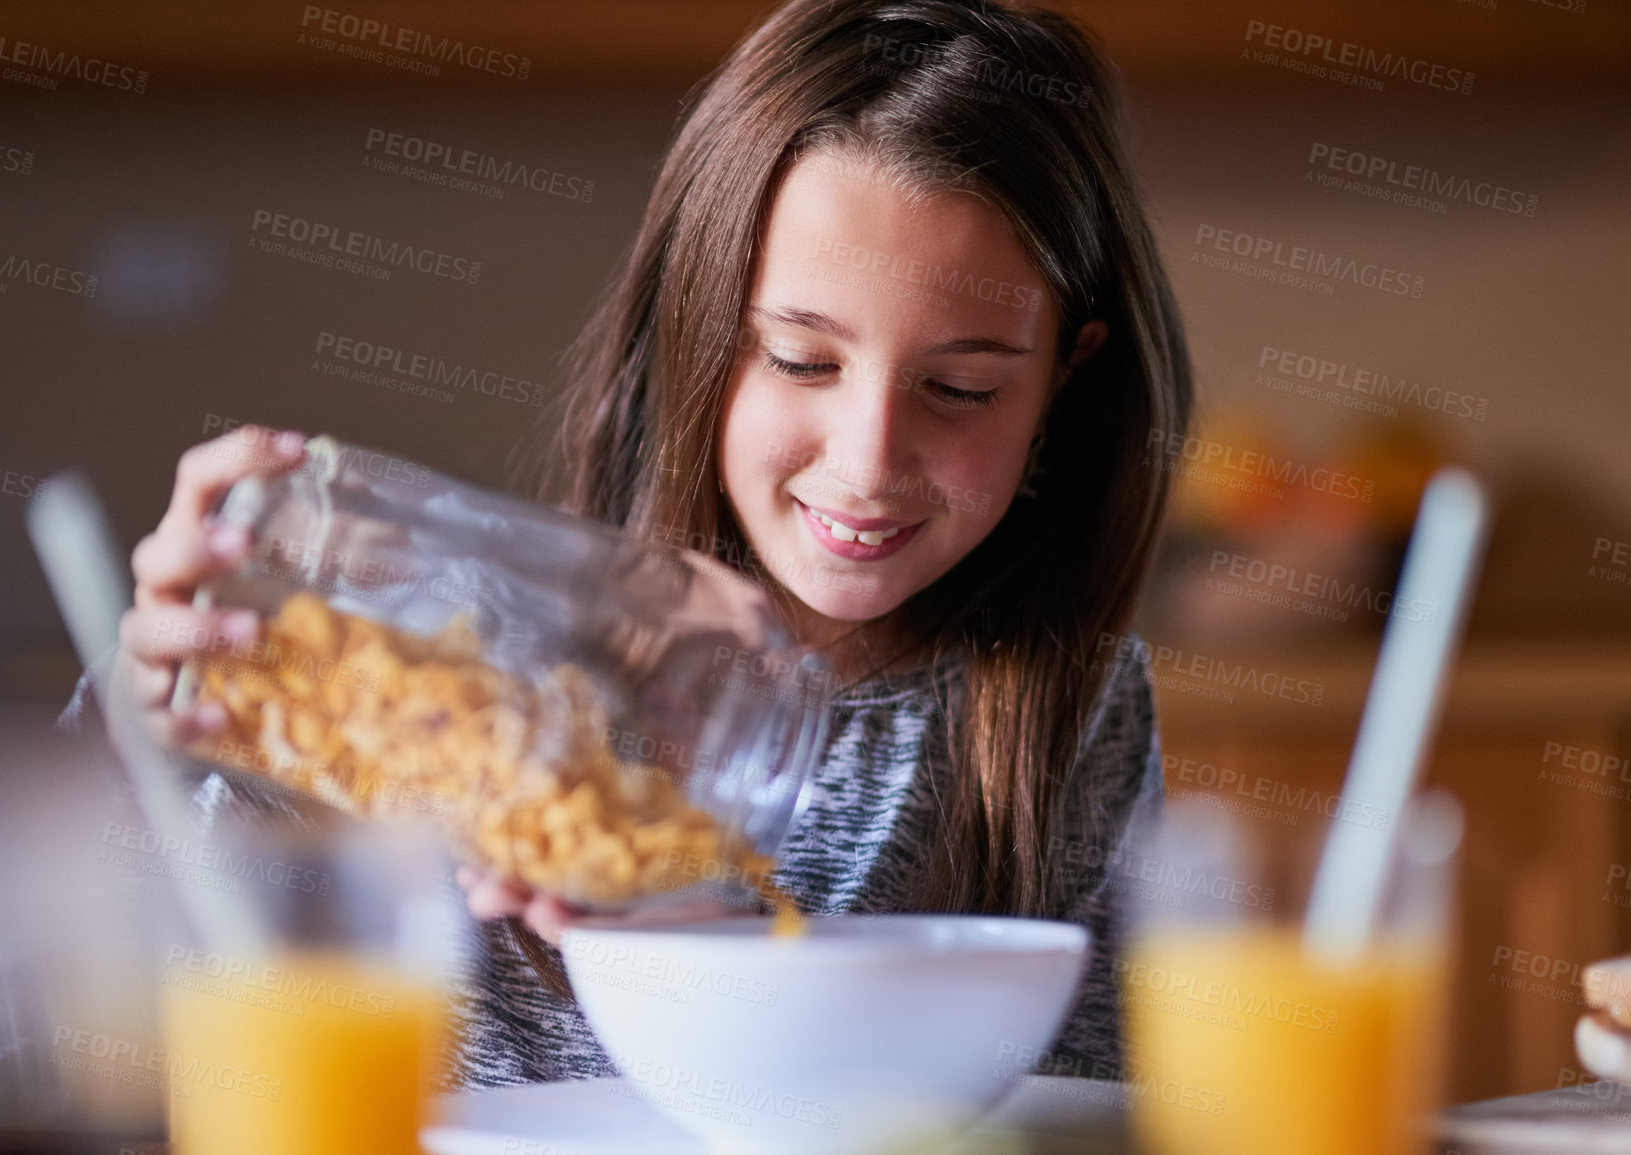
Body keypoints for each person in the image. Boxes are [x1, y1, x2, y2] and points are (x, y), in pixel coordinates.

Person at [88, 0, 1191, 1091]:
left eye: (961, 388)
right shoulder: (447, 670)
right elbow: (66, 1013)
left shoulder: (1066, 715)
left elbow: (1068, 1116)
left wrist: (699, 957)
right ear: (698, 328)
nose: (868, 458)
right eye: (802, 362)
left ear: (1062, 380)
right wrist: (142, 718)